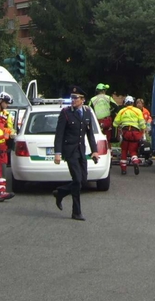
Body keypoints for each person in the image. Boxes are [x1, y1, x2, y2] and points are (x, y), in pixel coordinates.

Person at [53, 86, 100, 221]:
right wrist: (58, 152)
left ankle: (60, 192)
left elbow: (90, 134)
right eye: (71, 97)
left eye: (75, 98)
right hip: (70, 151)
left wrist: (95, 151)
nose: (72, 100)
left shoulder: (87, 112)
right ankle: (76, 212)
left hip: (81, 151)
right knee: (77, 180)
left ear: (83, 100)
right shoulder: (66, 113)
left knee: (83, 181)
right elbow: (59, 134)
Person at [113, 96, 146, 175]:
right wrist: (143, 132)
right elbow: (142, 124)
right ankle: (135, 161)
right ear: (132, 103)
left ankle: (123, 169)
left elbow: (115, 124)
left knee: (124, 150)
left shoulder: (122, 111)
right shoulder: (138, 111)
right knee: (133, 150)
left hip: (125, 133)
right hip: (135, 133)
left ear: (125, 103)